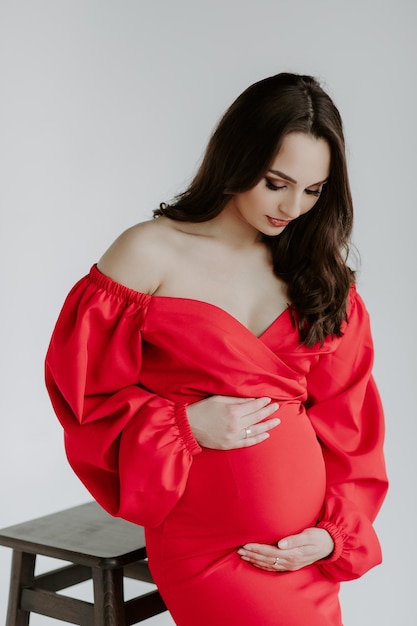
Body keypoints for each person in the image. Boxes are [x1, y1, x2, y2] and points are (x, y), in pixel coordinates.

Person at [45, 72, 388, 625]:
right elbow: (82, 396)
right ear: (238, 160)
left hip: (301, 554)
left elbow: (351, 431)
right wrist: (183, 425)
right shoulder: (150, 253)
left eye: (313, 190)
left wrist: (332, 536)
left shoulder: (319, 278)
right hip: (206, 545)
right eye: (276, 183)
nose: (293, 206)